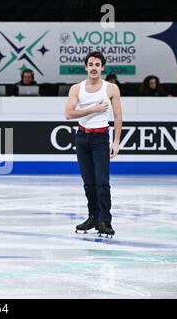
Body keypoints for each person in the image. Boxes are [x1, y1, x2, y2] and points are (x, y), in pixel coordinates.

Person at [65, 51, 122, 237]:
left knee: (102, 182)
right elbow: (68, 114)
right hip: (82, 138)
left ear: (103, 67)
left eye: (97, 64)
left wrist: (116, 142)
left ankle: (105, 221)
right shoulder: (76, 88)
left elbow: (118, 116)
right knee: (89, 182)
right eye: (91, 64)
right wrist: (93, 109)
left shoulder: (111, 88)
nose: (94, 67)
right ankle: (93, 217)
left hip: (100, 138)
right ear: (86, 67)